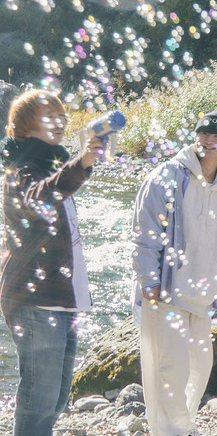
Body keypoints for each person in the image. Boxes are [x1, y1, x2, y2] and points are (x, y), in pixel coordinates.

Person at [132, 109, 217, 436]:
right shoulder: (168, 175)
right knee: (170, 370)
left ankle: (182, 425)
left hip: (202, 295)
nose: (208, 140)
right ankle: (172, 430)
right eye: (203, 133)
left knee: (200, 368)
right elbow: (144, 233)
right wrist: (149, 282)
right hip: (167, 291)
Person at [0, 89, 102, 436]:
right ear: (25, 127)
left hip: (59, 297)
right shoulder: (22, 170)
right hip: (36, 299)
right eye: (49, 117)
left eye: (61, 116)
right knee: (39, 398)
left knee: (56, 397)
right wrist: (82, 162)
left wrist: (80, 163)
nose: (59, 122)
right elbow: (39, 197)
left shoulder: (47, 166)